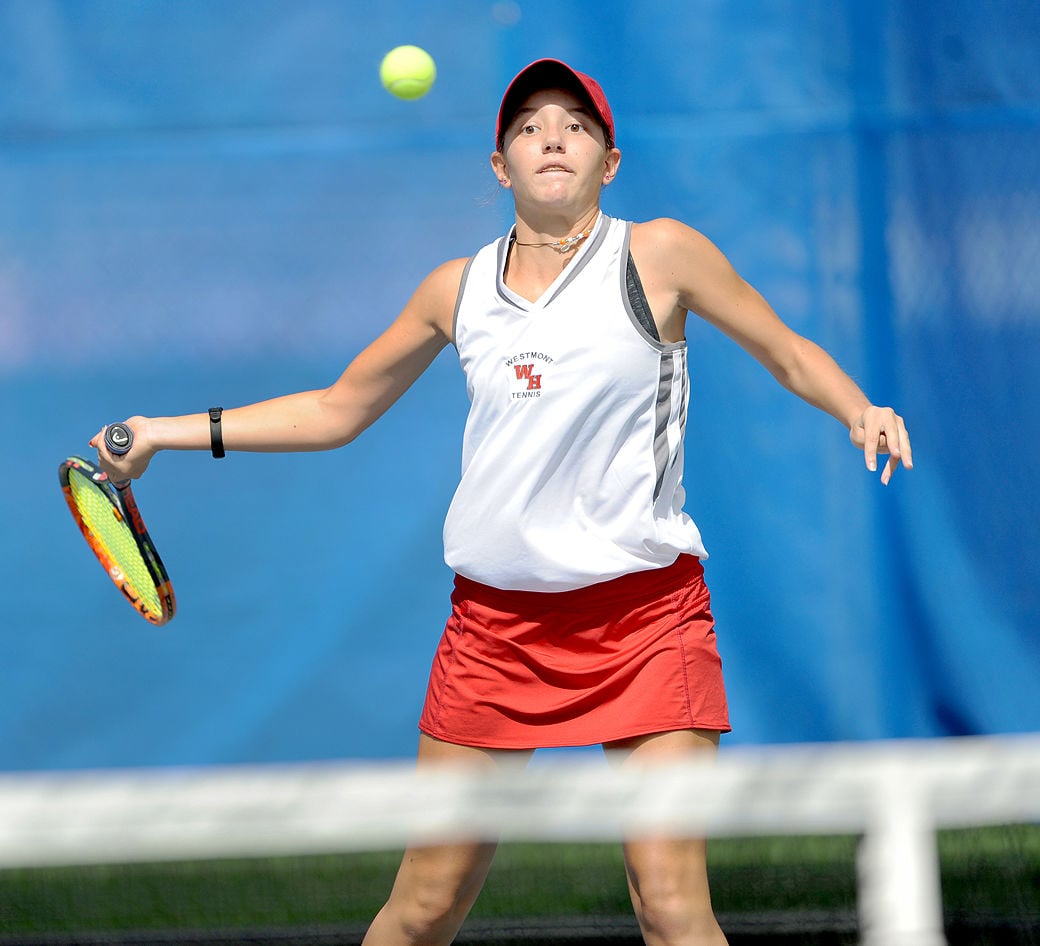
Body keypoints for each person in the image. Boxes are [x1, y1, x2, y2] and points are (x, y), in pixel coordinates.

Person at [93, 59, 911, 946]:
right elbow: (337, 410)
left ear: (610, 160)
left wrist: (857, 407)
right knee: (424, 907)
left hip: (645, 622)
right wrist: (167, 430)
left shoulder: (661, 254)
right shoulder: (456, 289)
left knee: (670, 905)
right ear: (499, 166)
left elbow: (787, 350)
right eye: (528, 127)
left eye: (575, 125)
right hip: (494, 633)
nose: (551, 136)